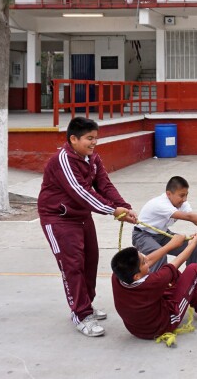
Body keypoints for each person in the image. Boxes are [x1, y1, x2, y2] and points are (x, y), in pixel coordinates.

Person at [37, 116, 137, 337]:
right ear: (73, 138)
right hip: (59, 219)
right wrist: (112, 210)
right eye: (89, 138)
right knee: (72, 266)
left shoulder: (92, 158)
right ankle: (80, 315)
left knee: (90, 261)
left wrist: (123, 206)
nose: (94, 143)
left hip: (81, 217)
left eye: (96, 138)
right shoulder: (62, 160)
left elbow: (104, 184)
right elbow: (81, 192)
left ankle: (87, 306)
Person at [110, 232, 197, 341]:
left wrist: (171, 245)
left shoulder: (117, 277)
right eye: (143, 262)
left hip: (137, 329)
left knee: (174, 275)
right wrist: (192, 244)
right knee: (195, 271)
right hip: (163, 325)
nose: (146, 259)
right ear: (136, 276)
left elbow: (149, 260)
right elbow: (177, 262)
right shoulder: (153, 282)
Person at [133, 176, 197, 273]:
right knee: (160, 254)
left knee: (191, 246)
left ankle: (196, 278)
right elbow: (189, 217)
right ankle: (155, 285)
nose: (185, 199)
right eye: (181, 195)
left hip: (162, 234)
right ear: (168, 194)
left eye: (186, 195)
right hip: (142, 236)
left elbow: (193, 218)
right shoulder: (160, 204)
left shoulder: (182, 203)